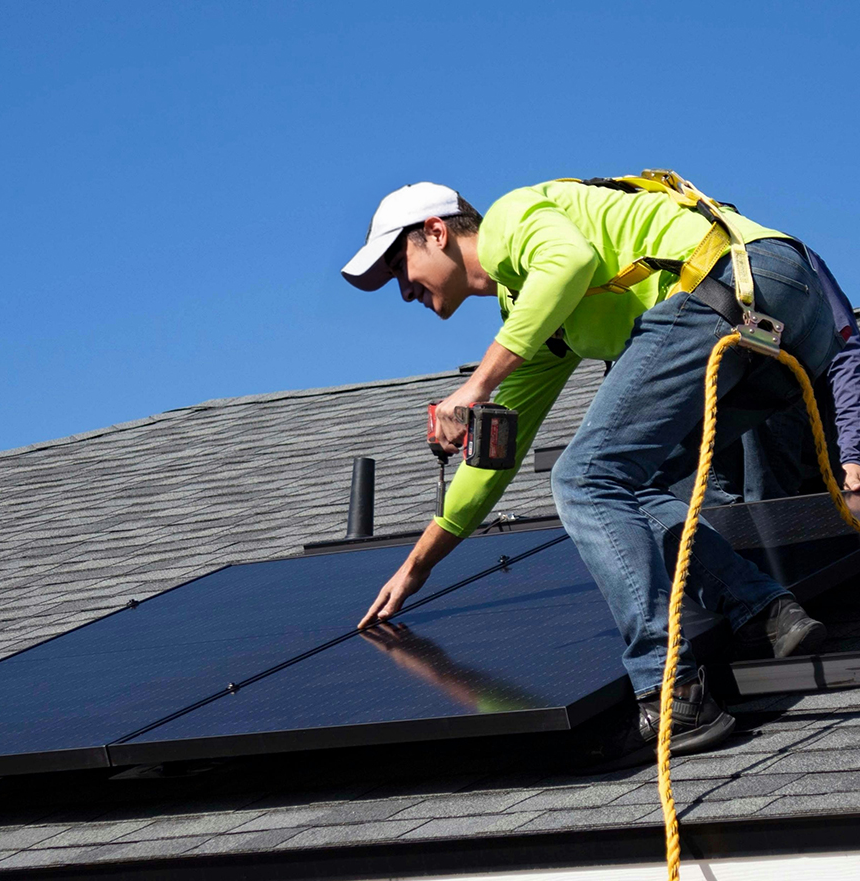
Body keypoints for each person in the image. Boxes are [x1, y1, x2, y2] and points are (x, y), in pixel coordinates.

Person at [342, 177, 848, 762]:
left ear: (436, 232)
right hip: (787, 319)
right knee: (634, 485)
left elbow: (569, 261)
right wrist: (414, 568)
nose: (402, 291)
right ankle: (763, 607)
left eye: (399, 266)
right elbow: (493, 463)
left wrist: (474, 387)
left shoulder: (511, 220)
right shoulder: (533, 316)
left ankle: (672, 690)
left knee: (584, 478)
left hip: (728, 282)